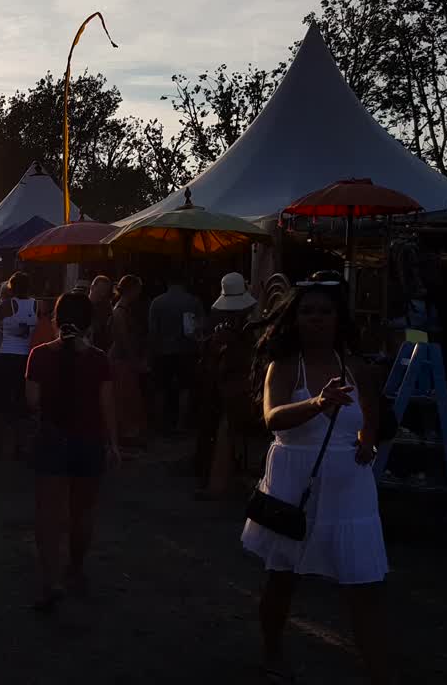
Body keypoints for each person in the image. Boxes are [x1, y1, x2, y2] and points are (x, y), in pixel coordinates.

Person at [241, 275, 390, 684]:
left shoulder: (356, 367)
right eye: (308, 311)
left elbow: (372, 417)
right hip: (295, 480)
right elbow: (272, 418)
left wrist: (367, 443)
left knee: (362, 581)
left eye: (325, 311)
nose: (317, 319)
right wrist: (318, 402)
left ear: (339, 317)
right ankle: (272, 650)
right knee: (283, 577)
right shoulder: (285, 365)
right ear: (296, 317)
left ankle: (377, 669)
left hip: (348, 487)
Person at [25, 290, 118, 612]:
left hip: (51, 439)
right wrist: (114, 443)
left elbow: (32, 401)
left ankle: (50, 580)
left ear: (56, 319)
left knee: (48, 516)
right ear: (89, 323)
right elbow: (107, 405)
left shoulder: (39, 355)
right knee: (82, 513)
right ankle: (75, 570)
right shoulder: (98, 358)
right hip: (89, 439)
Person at [196, 273, 262, 498]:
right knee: (223, 432)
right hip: (233, 388)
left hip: (233, 389)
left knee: (224, 432)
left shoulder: (241, 330)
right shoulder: (240, 329)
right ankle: (223, 479)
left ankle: (221, 481)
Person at [0, 272, 39, 459]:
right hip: (27, 357)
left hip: (6, 355)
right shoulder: (36, 305)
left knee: (1, 401)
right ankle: (20, 445)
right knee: (22, 402)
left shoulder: (7, 305)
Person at [149, 273, 204, 435]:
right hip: (186, 350)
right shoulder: (193, 301)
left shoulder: (157, 302)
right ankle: (181, 424)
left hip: (162, 351)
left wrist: (151, 352)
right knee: (184, 388)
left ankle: (160, 424)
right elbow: (200, 326)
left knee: (160, 388)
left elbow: (152, 331)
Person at [109, 276, 148, 449]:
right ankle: (126, 435)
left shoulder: (121, 309)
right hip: (121, 360)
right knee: (125, 398)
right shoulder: (120, 311)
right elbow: (124, 340)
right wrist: (134, 361)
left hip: (122, 359)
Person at [88, 275, 114, 351]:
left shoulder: (106, 308)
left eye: (105, 291)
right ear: (92, 287)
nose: (102, 294)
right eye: (100, 290)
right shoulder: (82, 306)